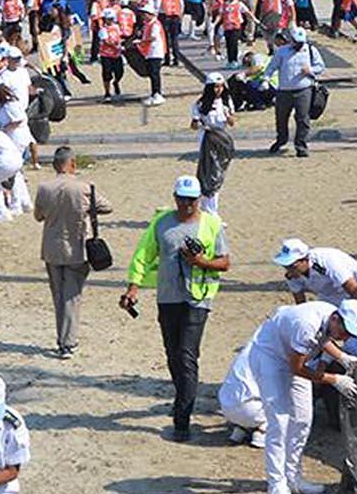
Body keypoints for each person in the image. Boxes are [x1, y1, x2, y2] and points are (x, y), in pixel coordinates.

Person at [121, 175, 231, 441]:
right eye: (182, 199)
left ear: (199, 200)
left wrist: (200, 261)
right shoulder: (161, 223)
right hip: (168, 298)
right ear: (175, 198)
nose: (186, 205)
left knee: (186, 355)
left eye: (191, 200)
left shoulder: (212, 224)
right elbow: (143, 255)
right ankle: (182, 396)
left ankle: (182, 420)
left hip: (198, 298)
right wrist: (133, 288)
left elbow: (225, 262)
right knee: (172, 355)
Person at [247, 299, 357, 494]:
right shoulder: (306, 324)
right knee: (280, 421)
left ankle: (293, 476)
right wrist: (333, 380)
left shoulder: (330, 317)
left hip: (297, 357)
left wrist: (341, 357)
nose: (346, 338)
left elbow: (324, 339)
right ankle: (277, 484)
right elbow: (296, 368)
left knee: (303, 419)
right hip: (271, 358)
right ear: (337, 319)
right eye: (346, 332)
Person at [33, 146, 112, 359]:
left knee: (58, 296)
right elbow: (107, 206)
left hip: (51, 248)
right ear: (73, 164)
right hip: (77, 249)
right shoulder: (84, 188)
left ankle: (63, 339)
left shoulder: (44, 188)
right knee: (72, 297)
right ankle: (68, 342)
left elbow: (38, 216)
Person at [268, 29, 325, 158]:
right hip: (284, 90)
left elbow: (320, 66)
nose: (299, 45)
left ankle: (301, 145)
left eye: (301, 43)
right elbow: (272, 66)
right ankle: (281, 139)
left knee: (303, 118)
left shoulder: (310, 50)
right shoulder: (282, 51)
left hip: (304, 89)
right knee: (281, 117)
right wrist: (266, 79)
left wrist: (310, 70)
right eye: (296, 43)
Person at [274, 237, 357, 311]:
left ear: (305, 259)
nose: (289, 271)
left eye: (293, 266)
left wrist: (351, 314)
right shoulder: (292, 276)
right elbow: (301, 305)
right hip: (327, 296)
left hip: (356, 290)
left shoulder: (329, 262)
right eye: (286, 266)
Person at [191, 73, 237, 211]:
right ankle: (209, 210)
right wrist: (198, 123)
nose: (219, 90)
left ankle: (210, 209)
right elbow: (193, 125)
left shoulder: (227, 102)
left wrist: (228, 115)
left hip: (221, 138)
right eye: (216, 87)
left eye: (221, 86)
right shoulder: (200, 104)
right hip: (207, 139)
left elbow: (232, 122)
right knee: (209, 174)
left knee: (218, 173)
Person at [219, 339, 267, 448]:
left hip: (226, 407)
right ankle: (262, 431)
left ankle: (241, 429)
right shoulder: (272, 353)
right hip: (251, 411)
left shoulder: (248, 349)